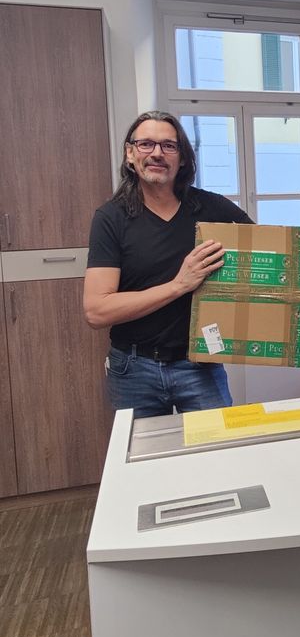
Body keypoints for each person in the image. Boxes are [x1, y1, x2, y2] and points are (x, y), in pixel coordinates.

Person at [84, 110, 253, 418]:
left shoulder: (211, 208)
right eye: (146, 144)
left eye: (169, 146)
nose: (157, 153)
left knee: (216, 459)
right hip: (134, 370)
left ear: (183, 158)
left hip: (201, 364)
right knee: (145, 464)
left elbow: (276, 258)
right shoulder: (111, 218)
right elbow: (96, 311)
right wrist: (179, 285)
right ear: (130, 154)